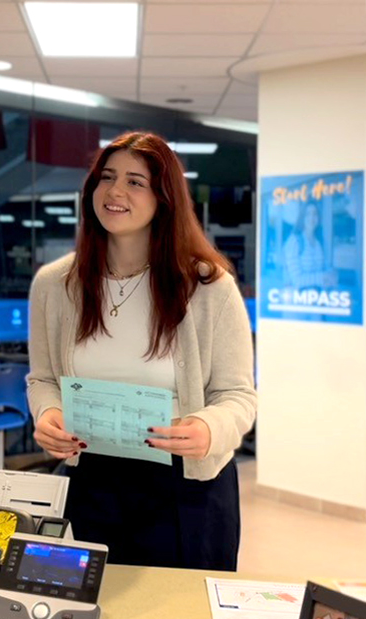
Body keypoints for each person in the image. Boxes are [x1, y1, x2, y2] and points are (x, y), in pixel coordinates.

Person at [28, 131, 257, 571]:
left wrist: (209, 428)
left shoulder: (209, 288)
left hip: (184, 483)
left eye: (136, 181)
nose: (115, 191)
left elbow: (239, 396)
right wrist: (47, 413)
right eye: (107, 177)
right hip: (93, 479)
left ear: (164, 198)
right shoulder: (56, 285)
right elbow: (43, 380)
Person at [283, 201, 336, 290]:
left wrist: (331, 273)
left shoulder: (319, 242)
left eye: (315, 214)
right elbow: (296, 280)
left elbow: (323, 268)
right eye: (308, 214)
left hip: (318, 298)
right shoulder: (294, 241)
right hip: (299, 300)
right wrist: (323, 277)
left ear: (318, 218)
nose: (312, 217)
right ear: (302, 217)